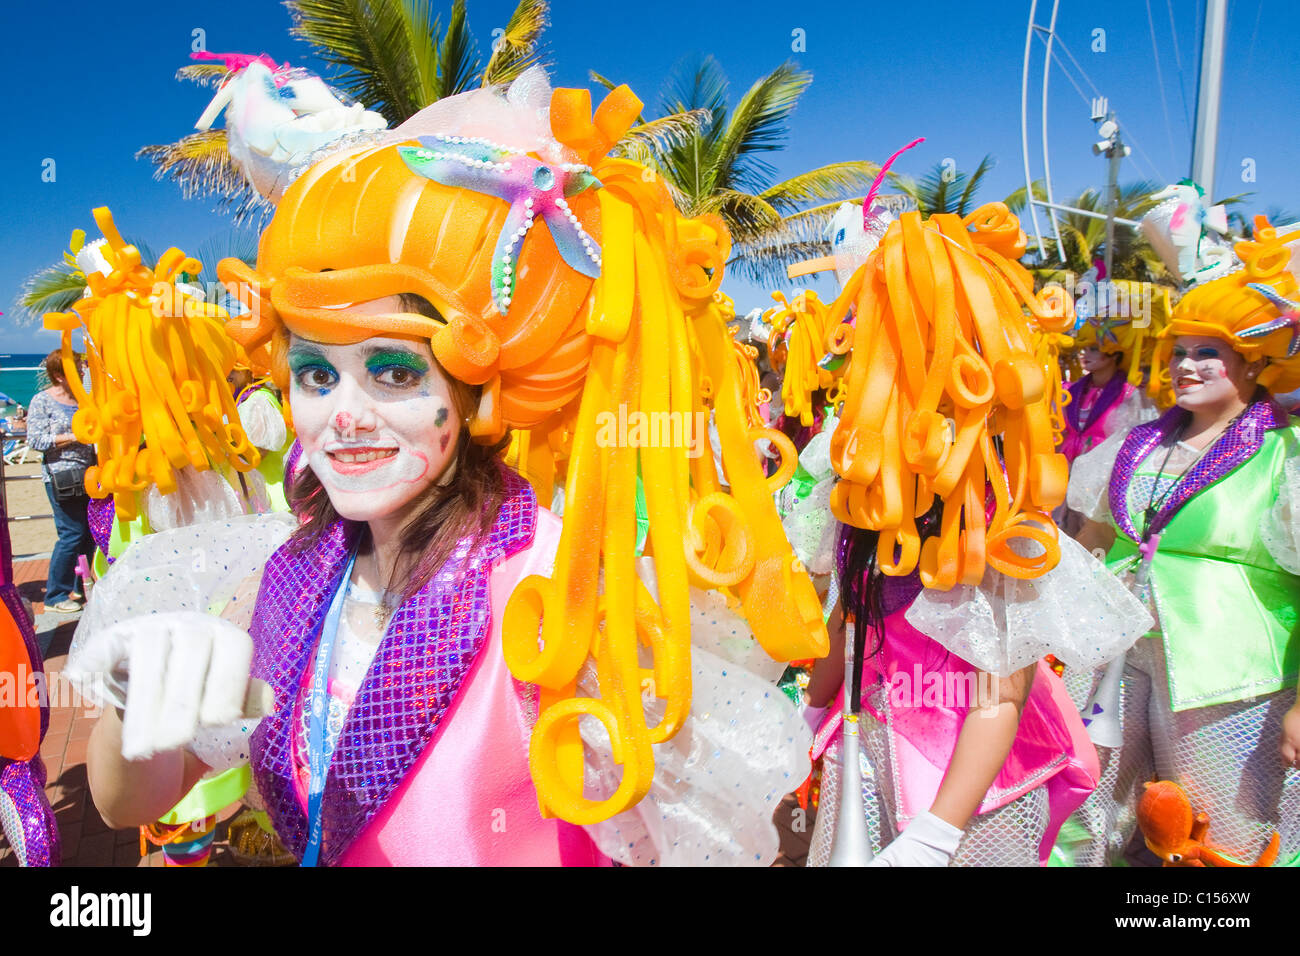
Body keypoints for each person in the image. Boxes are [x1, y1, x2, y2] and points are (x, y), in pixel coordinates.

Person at [73, 68, 822, 866]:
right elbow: (132, 804)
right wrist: (137, 704)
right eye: (317, 375)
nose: (345, 414)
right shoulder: (281, 580)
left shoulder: (562, 594)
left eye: (394, 372)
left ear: (470, 394)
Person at [786, 199, 1151, 866]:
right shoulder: (856, 498)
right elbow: (847, 624)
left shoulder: (994, 519)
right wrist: (806, 718)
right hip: (863, 761)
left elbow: (1001, 691)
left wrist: (938, 833)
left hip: (974, 798)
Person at [1067, 217, 1300, 865]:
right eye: (1179, 352)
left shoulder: (1289, 454)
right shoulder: (1137, 444)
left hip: (1229, 678)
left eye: (1207, 353)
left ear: (1253, 361)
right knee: (1086, 823)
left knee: (1225, 842)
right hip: (1114, 660)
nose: (1187, 366)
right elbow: (1088, 543)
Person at [26, 349, 95, 612]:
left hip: (89, 474)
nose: (80, 373)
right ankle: (55, 595)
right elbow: (35, 440)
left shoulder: (83, 399)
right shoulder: (42, 401)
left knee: (88, 534)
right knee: (71, 534)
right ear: (58, 375)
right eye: (74, 369)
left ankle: (82, 587)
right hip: (61, 476)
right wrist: (72, 436)